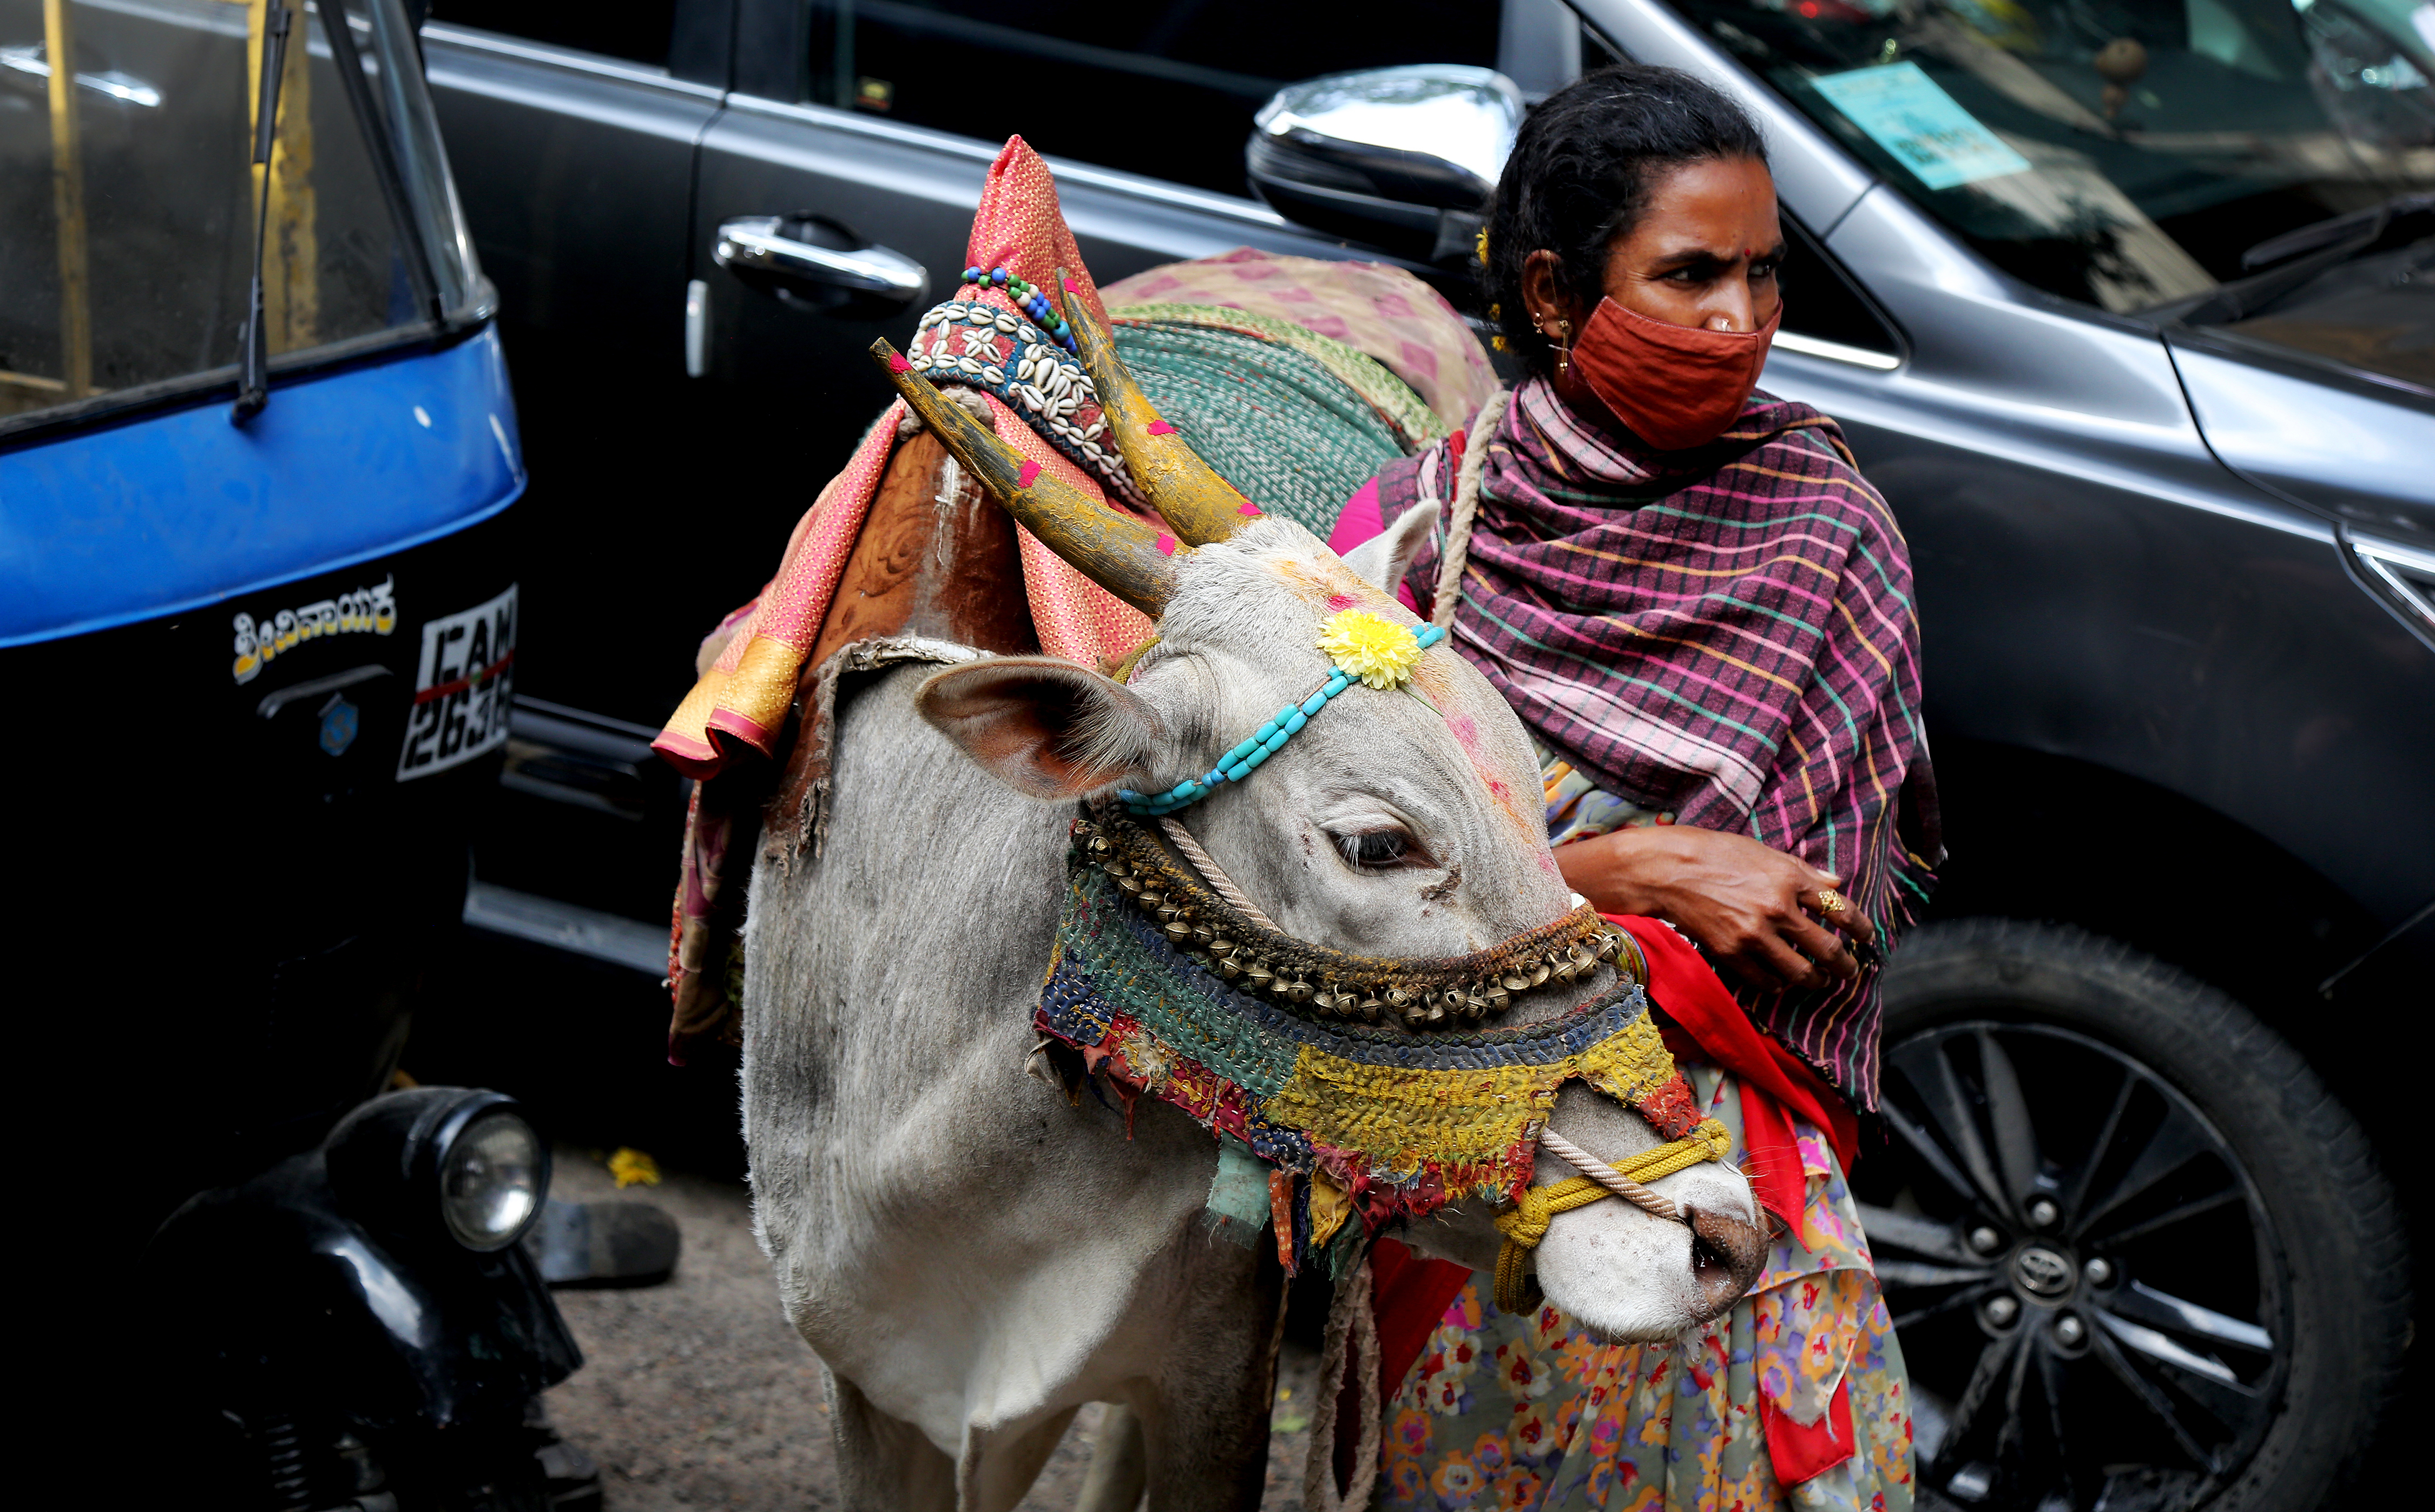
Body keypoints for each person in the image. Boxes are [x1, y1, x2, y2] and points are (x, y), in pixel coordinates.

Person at [1329, 64, 1940, 1511]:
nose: (1741, 321)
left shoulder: (1825, 521)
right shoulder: (1417, 536)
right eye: (1688, 275)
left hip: (1735, 1157)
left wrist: (1550, 882)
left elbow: (1833, 908)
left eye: (1760, 273)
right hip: (1483, 1162)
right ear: (1552, 292)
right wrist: (1631, 869)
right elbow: (1333, 894)